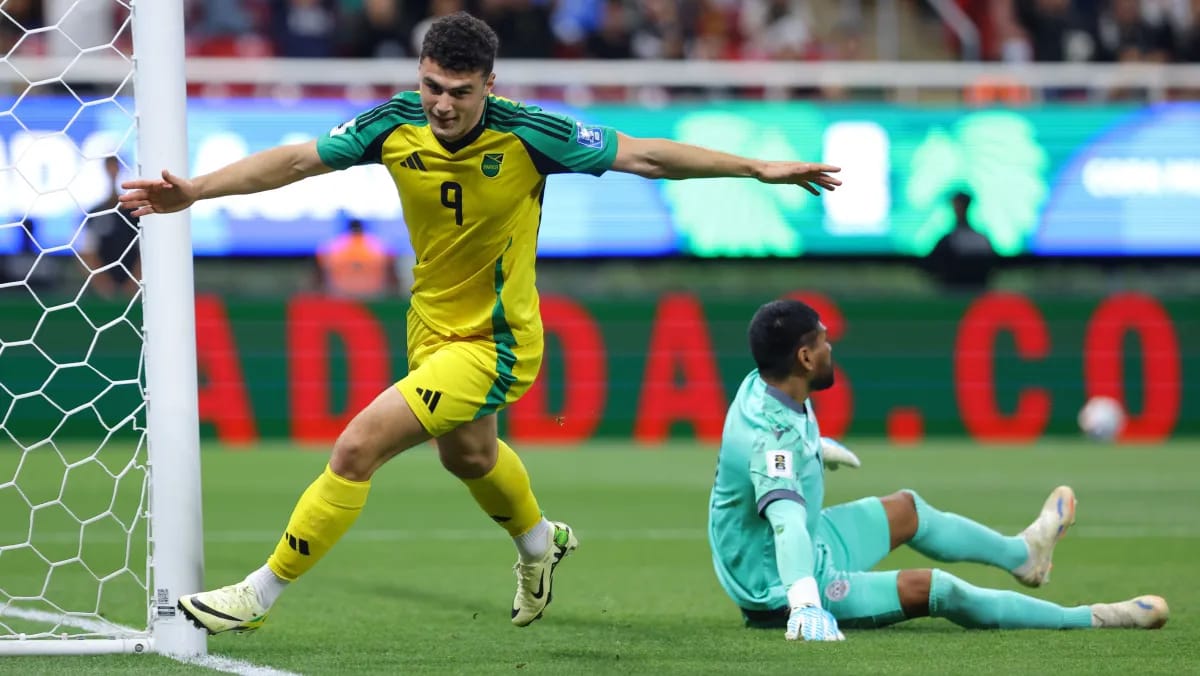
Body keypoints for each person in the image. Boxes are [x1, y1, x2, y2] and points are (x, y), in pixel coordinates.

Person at [118, 12, 842, 636]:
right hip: (429, 328)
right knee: (467, 457)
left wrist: (757, 169)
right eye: (432, 86)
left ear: (489, 86)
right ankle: (540, 542)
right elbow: (298, 161)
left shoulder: (533, 134)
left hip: (495, 344)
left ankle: (259, 594)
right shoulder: (392, 123)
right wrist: (197, 191)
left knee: (357, 447)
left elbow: (646, 155)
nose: (442, 105)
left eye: (460, 93)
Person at [707, 298, 1169, 641]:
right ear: (805, 358)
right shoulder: (772, 437)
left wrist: (815, 448)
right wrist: (805, 603)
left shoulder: (767, 384)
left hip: (809, 541)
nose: (831, 348)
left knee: (907, 509)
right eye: (823, 340)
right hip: (777, 581)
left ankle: (1024, 555)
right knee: (937, 589)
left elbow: (769, 452)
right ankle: (1095, 617)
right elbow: (786, 522)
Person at [83, 156, 141, 298]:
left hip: (135, 288)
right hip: (102, 291)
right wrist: (103, 284)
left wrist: (135, 281)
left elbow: (145, 249)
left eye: (115, 167)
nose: (112, 172)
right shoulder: (95, 213)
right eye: (109, 167)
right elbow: (87, 253)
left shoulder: (134, 212)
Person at [924, 190, 998, 292]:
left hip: (974, 293)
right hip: (951, 293)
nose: (957, 209)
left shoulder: (980, 239)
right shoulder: (948, 240)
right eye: (955, 206)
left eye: (959, 206)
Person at [314, 217, 402, 298]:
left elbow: (320, 275)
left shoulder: (331, 247)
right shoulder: (380, 246)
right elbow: (392, 274)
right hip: (373, 295)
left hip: (340, 295)